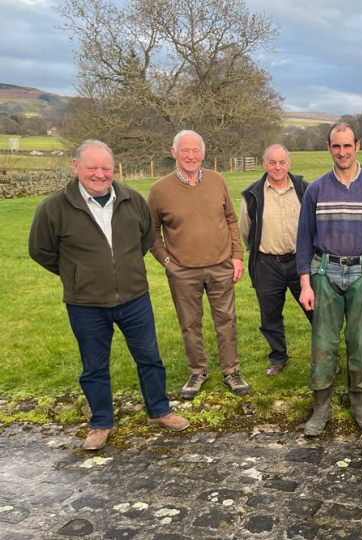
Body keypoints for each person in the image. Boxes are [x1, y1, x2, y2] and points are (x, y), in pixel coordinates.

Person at [29, 140, 189, 451]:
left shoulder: (131, 200)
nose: (100, 174)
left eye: (106, 168)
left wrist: (124, 269)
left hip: (134, 298)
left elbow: (144, 238)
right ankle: (101, 422)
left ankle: (159, 410)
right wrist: (77, 275)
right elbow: (41, 251)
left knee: (149, 358)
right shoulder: (53, 208)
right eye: (92, 168)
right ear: (76, 167)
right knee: (94, 366)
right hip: (85, 304)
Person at [296, 122, 362, 436]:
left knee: (360, 340)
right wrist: (305, 283)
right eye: (336, 146)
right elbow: (303, 239)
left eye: (347, 146)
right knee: (323, 341)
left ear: (357, 146)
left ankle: (359, 402)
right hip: (325, 272)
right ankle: (320, 405)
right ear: (328, 148)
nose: (342, 152)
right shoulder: (316, 189)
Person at [148, 130, 249, 399]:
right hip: (183, 271)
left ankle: (231, 371)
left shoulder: (217, 181)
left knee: (226, 320)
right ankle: (197, 372)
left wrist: (237, 256)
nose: (191, 156)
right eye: (185, 150)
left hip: (220, 265)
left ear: (203, 153)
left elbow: (230, 219)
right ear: (174, 153)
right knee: (190, 323)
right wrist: (167, 261)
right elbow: (151, 232)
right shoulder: (159, 190)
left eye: (196, 150)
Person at [240, 144, 313, 376]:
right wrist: (260, 253)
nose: (277, 167)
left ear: (289, 163)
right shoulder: (252, 195)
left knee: (316, 311)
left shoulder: (304, 189)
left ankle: (326, 356)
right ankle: (278, 358)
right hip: (267, 264)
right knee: (270, 316)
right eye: (272, 162)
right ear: (265, 164)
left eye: (282, 162)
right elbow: (246, 231)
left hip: (301, 262)